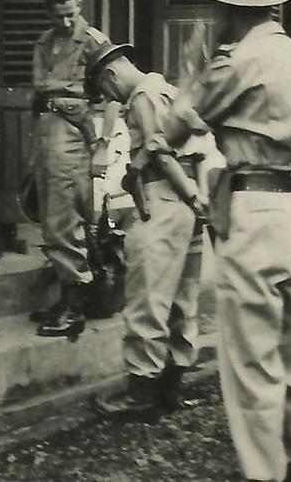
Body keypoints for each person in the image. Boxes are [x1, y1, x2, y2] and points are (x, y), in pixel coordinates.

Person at [163, 0, 291, 482]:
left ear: (228, 9)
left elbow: (173, 130)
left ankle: (265, 474)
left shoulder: (235, 63)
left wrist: (192, 69)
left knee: (252, 365)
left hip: (259, 210)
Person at [85, 43, 226, 415]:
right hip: (187, 201)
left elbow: (160, 154)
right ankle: (170, 388)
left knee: (146, 298)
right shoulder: (167, 89)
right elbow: (197, 149)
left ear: (110, 75)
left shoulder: (142, 97)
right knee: (183, 300)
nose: (108, 98)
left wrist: (190, 197)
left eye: (104, 90)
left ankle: (141, 393)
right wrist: (197, 199)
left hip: (163, 200)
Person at [30, 0, 121, 338]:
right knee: (51, 215)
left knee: (65, 217)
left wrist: (103, 145)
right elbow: (40, 88)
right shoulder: (44, 43)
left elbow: (113, 95)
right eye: (59, 16)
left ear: (80, 5)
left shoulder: (94, 41)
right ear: (48, 14)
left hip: (76, 133)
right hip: (47, 131)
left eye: (71, 14)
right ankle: (67, 295)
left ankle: (75, 304)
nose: (66, 23)